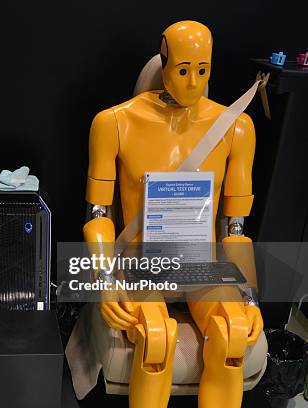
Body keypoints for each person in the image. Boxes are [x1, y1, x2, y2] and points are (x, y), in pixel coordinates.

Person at [82, 21, 263, 407]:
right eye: (183, 70)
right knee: (156, 338)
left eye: (203, 70)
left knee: (231, 331)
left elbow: (235, 228)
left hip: (200, 261)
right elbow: (99, 214)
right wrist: (105, 278)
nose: (194, 82)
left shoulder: (236, 128)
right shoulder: (115, 123)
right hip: (142, 261)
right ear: (164, 63)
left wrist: (249, 297)